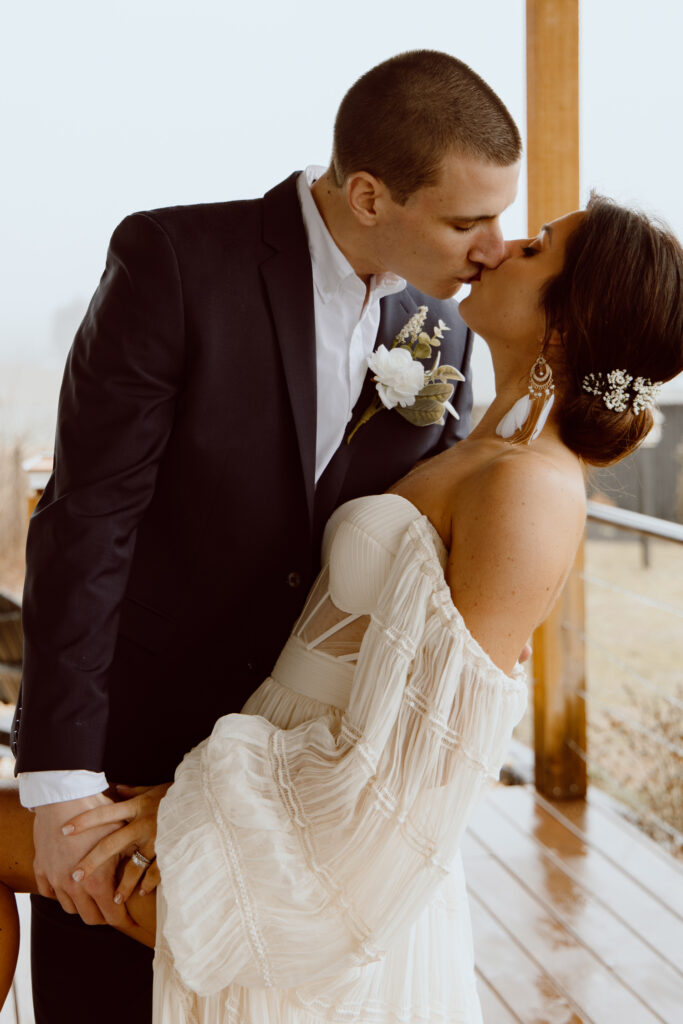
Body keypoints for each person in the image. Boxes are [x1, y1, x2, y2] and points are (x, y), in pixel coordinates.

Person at [3, 195, 682, 1022]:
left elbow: (425, 767)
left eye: (536, 249)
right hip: (264, 783)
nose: (502, 248)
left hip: (315, 855)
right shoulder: (483, 447)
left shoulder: (530, 488)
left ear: (564, 325)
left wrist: (194, 806)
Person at [10, 51, 522, 1022]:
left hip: (296, 802)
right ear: (368, 194)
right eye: (467, 220)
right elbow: (88, 527)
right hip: (132, 750)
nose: (492, 247)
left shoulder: (443, 342)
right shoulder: (173, 262)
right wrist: (60, 784)